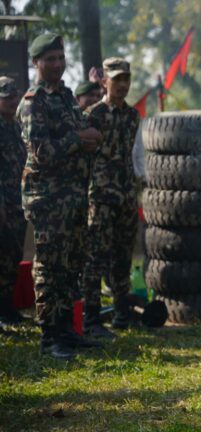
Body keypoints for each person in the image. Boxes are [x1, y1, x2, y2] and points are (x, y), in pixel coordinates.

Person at [17, 33, 104, 359]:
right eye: (50, 59)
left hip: (73, 196)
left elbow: (83, 137)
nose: (57, 64)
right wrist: (79, 138)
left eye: (60, 58)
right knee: (50, 269)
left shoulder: (66, 97)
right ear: (36, 63)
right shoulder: (33, 102)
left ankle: (67, 330)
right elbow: (41, 153)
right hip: (48, 200)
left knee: (71, 265)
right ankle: (50, 335)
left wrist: (87, 139)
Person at [81, 57, 140, 338]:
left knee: (123, 257)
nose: (122, 85)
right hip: (101, 196)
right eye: (117, 79)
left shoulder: (133, 116)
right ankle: (91, 318)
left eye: (126, 79)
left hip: (126, 195)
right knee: (96, 258)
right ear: (104, 81)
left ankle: (121, 312)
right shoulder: (92, 115)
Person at [0, 76, 26, 329]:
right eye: (6, 97)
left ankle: (7, 306)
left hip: (18, 201)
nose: (11, 101)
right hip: (3, 203)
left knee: (13, 254)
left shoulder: (17, 126)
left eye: (13, 96)